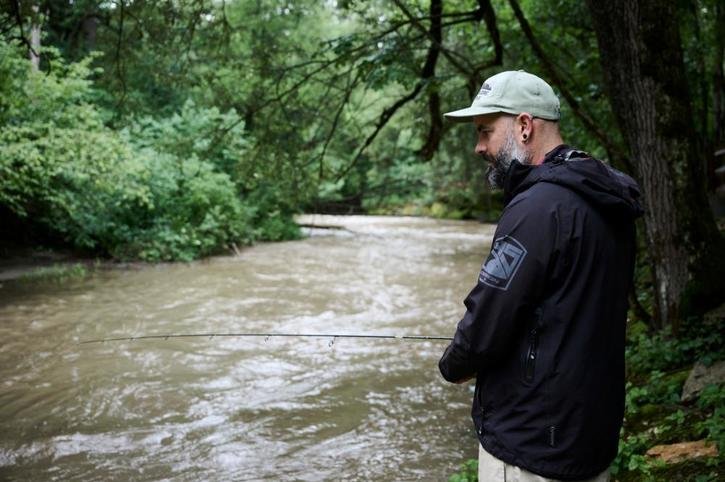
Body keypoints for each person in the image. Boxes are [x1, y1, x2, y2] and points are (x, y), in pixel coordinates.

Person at [438, 70, 643, 482]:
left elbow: (486, 324)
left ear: (525, 126)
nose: (479, 147)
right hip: (588, 436)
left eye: (484, 131)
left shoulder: (536, 208)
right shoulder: (604, 197)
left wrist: (452, 365)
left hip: (530, 445)